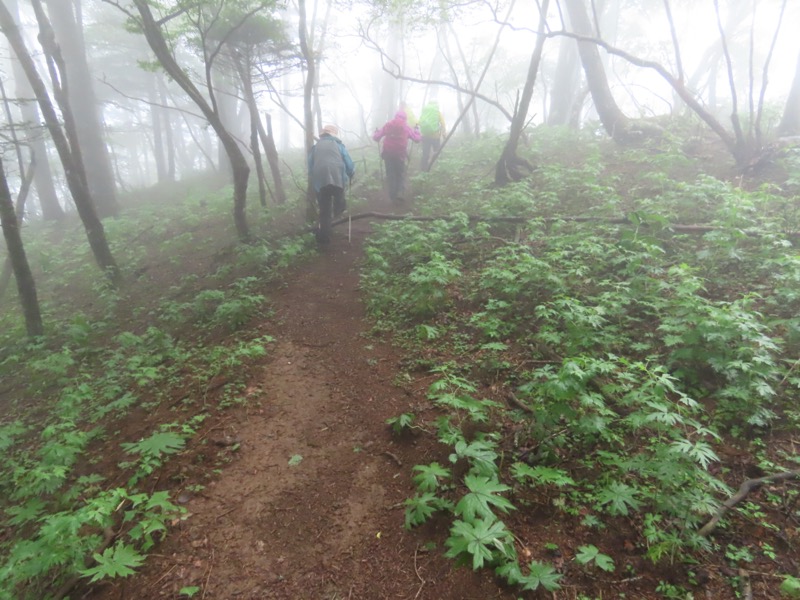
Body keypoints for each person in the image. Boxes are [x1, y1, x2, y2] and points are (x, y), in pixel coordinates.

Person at [308, 124, 355, 244]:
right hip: (337, 178)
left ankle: (324, 238)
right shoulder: (339, 145)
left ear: (323, 135)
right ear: (333, 134)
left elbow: (310, 165)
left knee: (324, 210)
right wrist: (350, 172)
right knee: (339, 201)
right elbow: (348, 161)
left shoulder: (315, 147)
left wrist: (314, 177)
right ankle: (338, 210)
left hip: (320, 180)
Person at [373, 110, 421, 203]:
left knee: (390, 174)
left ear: (395, 117)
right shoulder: (406, 128)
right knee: (400, 174)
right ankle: (400, 193)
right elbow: (417, 139)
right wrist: (417, 131)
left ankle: (392, 196)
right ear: (405, 119)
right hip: (400, 155)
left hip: (388, 154)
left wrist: (377, 132)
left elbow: (376, 138)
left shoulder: (388, 125)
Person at [418, 101, 446, 171]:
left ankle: (424, 169)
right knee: (437, 152)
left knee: (425, 153)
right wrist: (444, 134)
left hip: (425, 136)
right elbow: (442, 123)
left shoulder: (425, 112)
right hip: (435, 136)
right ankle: (438, 168)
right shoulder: (437, 112)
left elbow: (420, 122)